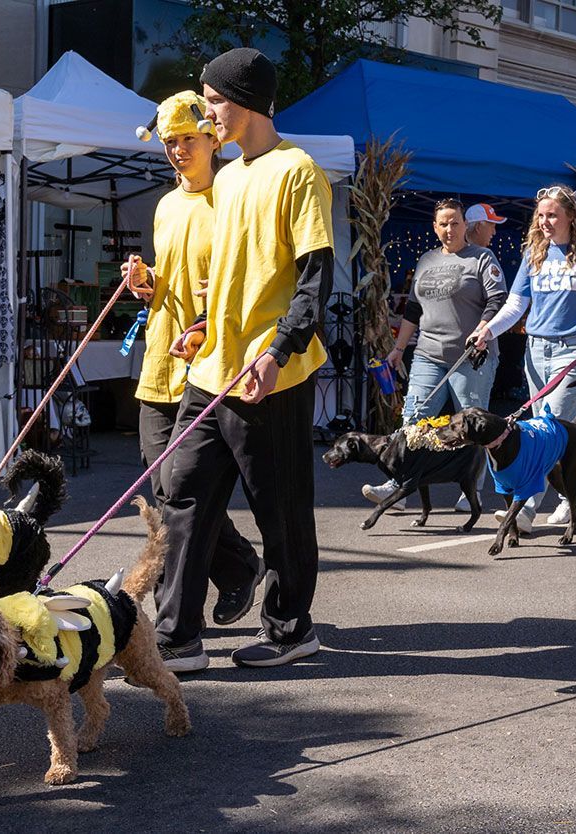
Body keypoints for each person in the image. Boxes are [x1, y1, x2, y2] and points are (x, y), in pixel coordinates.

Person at [155, 47, 334, 669]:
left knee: (278, 508)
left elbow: (314, 280)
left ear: (247, 101)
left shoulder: (299, 171)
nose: (208, 118)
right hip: (213, 369)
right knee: (181, 493)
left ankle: (290, 627)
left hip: (270, 373)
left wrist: (277, 352)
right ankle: (176, 635)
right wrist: (205, 325)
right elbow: (236, 275)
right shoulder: (227, 177)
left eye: (213, 104)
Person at [120, 91, 263, 632]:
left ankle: (183, 615)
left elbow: (246, 280)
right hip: (160, 358)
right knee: (164, 490)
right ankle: (238, 564)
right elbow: (170, 283)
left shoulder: (229, 197)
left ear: (210, 139)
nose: (178, 150)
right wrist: (147, 284)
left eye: (188, 139)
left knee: (181, 491)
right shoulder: (165, 206)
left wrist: (209, 317)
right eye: (169, 142)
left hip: (208, 364)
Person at [468, 185, 576, 531]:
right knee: (545, 430)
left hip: (575, 348)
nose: (545, 221)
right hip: (536, 348)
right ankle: (568, 497)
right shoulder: (535, 253)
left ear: (570, 218)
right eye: (541, 215)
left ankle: (526, 510)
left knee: (550, 428)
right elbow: (516, 304)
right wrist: (486, 330)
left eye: (552, 215)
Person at [361, 199, 506, 506]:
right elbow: (414, 309)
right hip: (428, 353)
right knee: (414, 419)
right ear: (435, 227)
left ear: (465, 225)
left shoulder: (482, 258)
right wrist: (398, 349)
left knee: (471, 423)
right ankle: (397, 486)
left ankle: (472, 491)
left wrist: (481, 330)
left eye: (455, 222)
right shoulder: (427, 260)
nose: (449, 229)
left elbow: (497, 301)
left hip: (470, 357)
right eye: (444, 223)